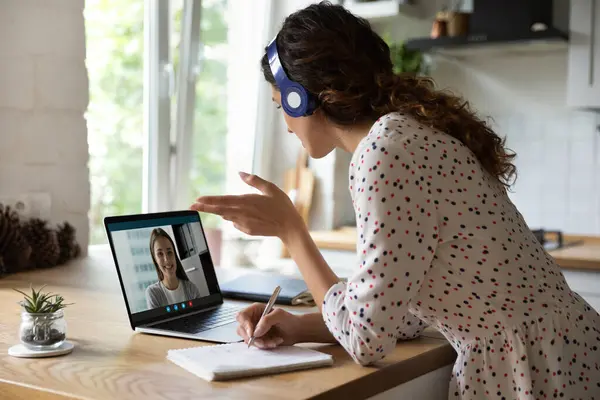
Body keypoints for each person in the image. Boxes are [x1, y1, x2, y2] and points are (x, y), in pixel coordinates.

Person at [190, 2, 600, 398]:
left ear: (305, 97)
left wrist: (291, 231)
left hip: (533, 369)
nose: (285, 124)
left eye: (282, 106)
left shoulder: (383, 154)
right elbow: (397, 310)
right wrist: (300, 326)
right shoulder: (405, 135)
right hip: (556, 354)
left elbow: (365, 341)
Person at [145, 228, 202, 309]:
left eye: (169, 252)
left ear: (175, 254)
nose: (167, 259)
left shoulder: (191, 288)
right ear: (155, 259)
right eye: (160, 254)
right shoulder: (153, 293)